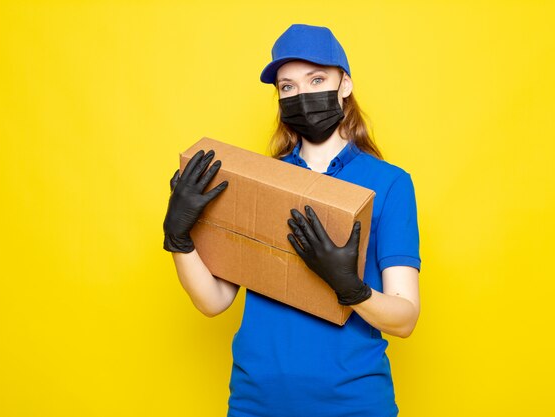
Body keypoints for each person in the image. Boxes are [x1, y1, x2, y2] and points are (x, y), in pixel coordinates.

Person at [163, 23, 421, 417]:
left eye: (316, 78)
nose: (302, 94)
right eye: (288, 87)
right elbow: (214, 301)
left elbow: (405, 319)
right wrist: (179, 239)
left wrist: (350, 288)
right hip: (257, 402)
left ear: (345, 85)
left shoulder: (389, 184)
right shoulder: (257, 180)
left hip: (353, 404)